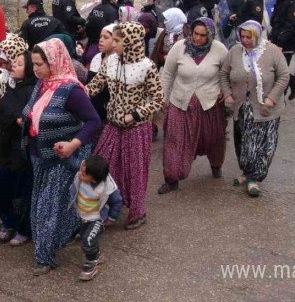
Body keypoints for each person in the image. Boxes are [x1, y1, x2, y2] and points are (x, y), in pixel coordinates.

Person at [22, 38, 101, 276]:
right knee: (44, 206)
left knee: (48, 209)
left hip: (62, 159)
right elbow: (34, 111)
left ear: (54, 62)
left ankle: (44, 258)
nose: (35, 69)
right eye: (33, 64)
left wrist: (72, 144)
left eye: (40, 64)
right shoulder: (43, 84)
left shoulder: (70, 90)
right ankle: (57, 242)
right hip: (40, 157)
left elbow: (93, 121)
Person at [86, 23, 166, 230]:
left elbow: (159, 99)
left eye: (118, 40)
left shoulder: (147, 66)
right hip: (112, 124)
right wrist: (75, 95)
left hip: (136, 129)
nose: (113, 43)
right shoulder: (111, 61)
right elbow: (95, 85)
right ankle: (101, 208)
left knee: (135, 171)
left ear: (130, 42)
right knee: (102, 164)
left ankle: (138, 213)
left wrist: (135, 114)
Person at [158, 17, 228, 193]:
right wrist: (161, 99)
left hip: (209, 103)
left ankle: (216, 164)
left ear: (210, 35)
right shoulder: (179, 47)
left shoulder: (219, 49)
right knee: (175, 140)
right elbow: (167, 75)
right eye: (195, 34)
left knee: (213, 140)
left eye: (203, 35)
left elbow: (227, 73)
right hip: (180, 102)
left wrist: (224, 91)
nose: (197, 39)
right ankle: (172, 178)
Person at [220, 21, 290, 197]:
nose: (245, 41)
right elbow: (223, 73)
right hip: (242, 107)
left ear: (257, 36)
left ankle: (254, 178)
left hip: (267, 109)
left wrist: (271, 99)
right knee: (243, 143)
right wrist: (228, 94)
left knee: (264, 145)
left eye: (249, 37)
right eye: (242, 36)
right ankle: (246, 172)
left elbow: (283, 76)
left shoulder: (272, 51)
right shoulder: (235, 52)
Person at [0, 43, 37, 246]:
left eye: (19, 64)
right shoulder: (10, 85)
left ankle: (22, 228)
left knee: (21, 191)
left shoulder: (32, 90)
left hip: (21, 149)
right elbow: (7, 111)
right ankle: (8, 221)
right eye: (14, 63)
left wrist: (11, 112)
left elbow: (22, 116)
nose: (13, 66)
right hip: (5, 146)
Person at [70, 155, 122, 281]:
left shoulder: (106, 186)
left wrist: (111, 218)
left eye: (83, 174)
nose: (80, 174)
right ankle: (97, 254)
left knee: (88, 241)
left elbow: (117, 201)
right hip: (83, 216)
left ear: (94, 179)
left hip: (97, 218)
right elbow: (72, 163)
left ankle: (91, 264)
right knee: (84, 236)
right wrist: (65, 153)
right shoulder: (85, 169)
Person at [87, 23, 117, 124]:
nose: (101, 40)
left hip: (111, 116)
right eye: (100, 37)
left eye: (106, 37)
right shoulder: (97, 58)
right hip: (93, 112)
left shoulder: (120, 62)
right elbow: (89, 84)